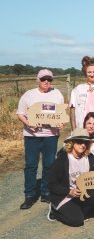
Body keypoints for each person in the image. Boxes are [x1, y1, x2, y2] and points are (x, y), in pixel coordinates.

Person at [16, 69, 65, 209]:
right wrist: (27, 123)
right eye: (44, 79)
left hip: (50, 135)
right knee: (31, 165)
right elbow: (20, 113)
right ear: (38, 80)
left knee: (49, 165)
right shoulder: (29, 95)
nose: (46, 82)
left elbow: (60, 114)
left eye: (49, 79)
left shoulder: (57, 94)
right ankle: (30, 195)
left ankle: (46, 192)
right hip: (32, 136)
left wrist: (60, 123)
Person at [47, 128, 94, 226]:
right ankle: (55, 210)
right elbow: (52, 184)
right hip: (65, 194)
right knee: (77, 221)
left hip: (82, 193)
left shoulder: (90, 157)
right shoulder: (62, 160)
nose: (83, 145)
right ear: (72, 143)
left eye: (85, 142)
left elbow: (93, 178)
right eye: (79, 142)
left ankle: (79, 210)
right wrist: (69, 191)